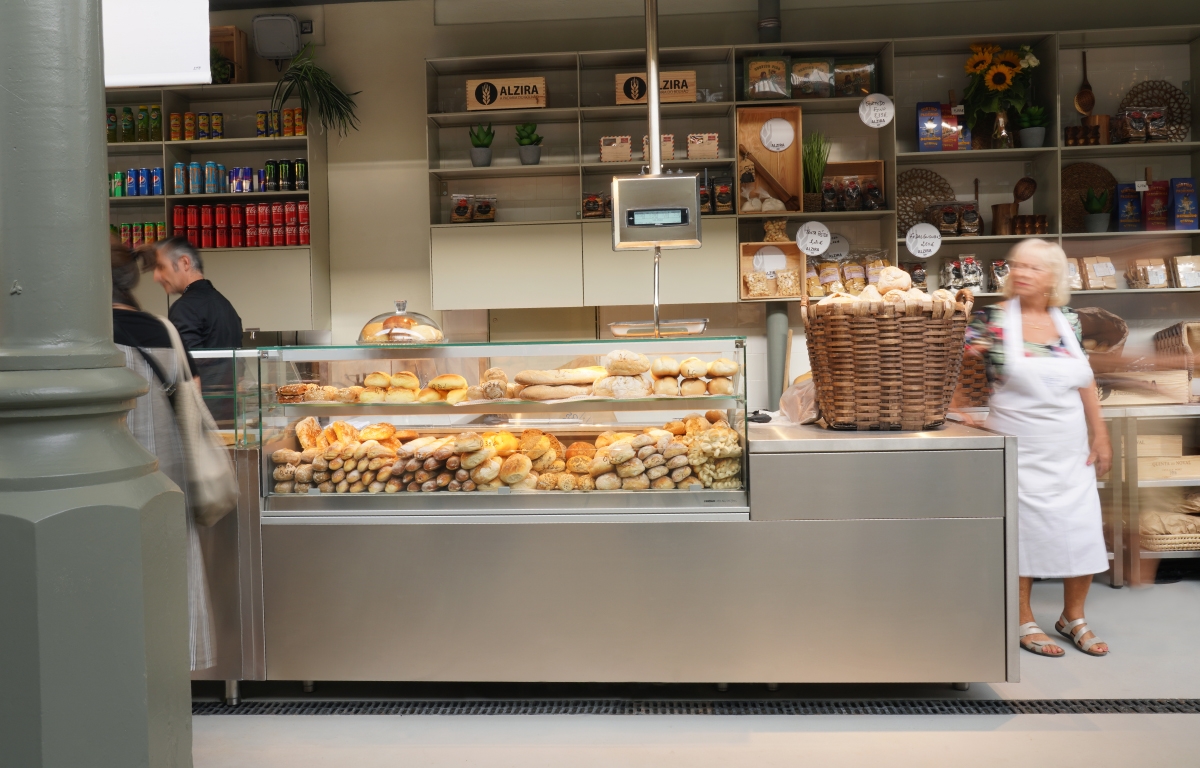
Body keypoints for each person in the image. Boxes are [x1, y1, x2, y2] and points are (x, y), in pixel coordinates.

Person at [959, 238, 1111, 658]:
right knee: (1021, 532)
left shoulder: (1069, 321)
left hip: (1069, 445)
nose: (1021, 273)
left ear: (1053, 278)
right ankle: (1023, 617)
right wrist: (960, 412)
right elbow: (952, 364)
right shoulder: (992, 319)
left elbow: (1086, 380)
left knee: (1078, 529)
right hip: (1018, 446)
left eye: (1033, 268)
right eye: (1016, 266)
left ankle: (1072, 618)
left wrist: (1100, 435)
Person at [112, 237, 216, 671]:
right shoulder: (162, 328)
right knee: (169, 573)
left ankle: (121, 670)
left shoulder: (87, 338)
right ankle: (174, 666)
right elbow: (193, 394)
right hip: (167, 472)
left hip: (115, 475)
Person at [152, 238, 243, 423]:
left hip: (205, 419)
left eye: (161, 267)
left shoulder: (185, 308)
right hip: (229, 417)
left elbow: (189, 376)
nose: (156, 276)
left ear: (185, 262)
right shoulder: (225, 305)